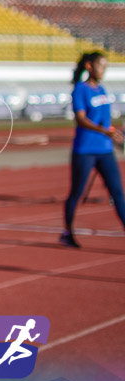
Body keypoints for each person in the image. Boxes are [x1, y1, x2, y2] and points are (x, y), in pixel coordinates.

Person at [59, 52, 125, 248]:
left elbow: (106, 122)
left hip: (105, 150)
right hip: (85, 149)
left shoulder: (102, 90)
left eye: (105, 66)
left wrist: (115, 135)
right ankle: (67, 231)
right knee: (76, 192)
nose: (103, 70)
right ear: (89, 66)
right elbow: (80, 119)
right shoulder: (80, 89)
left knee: (118, 193)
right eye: (100, 66)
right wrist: (104, 131)